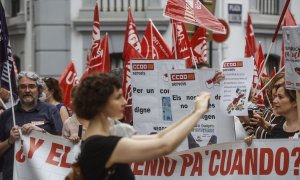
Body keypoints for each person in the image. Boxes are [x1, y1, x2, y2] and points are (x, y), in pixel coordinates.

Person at [70, 73, 210, 180]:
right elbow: (164, 146)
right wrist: (198, 112)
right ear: (100, 103)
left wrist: (193, 113)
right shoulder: (100, 145)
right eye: (118, 97)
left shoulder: (100, 141)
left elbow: (160, 137)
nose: (125, 102)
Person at [0, 71, 63, 180]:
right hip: (12, 176)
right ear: (17, 90)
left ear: (39, 90)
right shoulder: (7, 115)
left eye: (32, 86)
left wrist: (40, 132)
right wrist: (9, 141)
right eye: (23, 87)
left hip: (42, 176)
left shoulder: (51, 111)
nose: (27, 90)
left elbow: (62, 145)